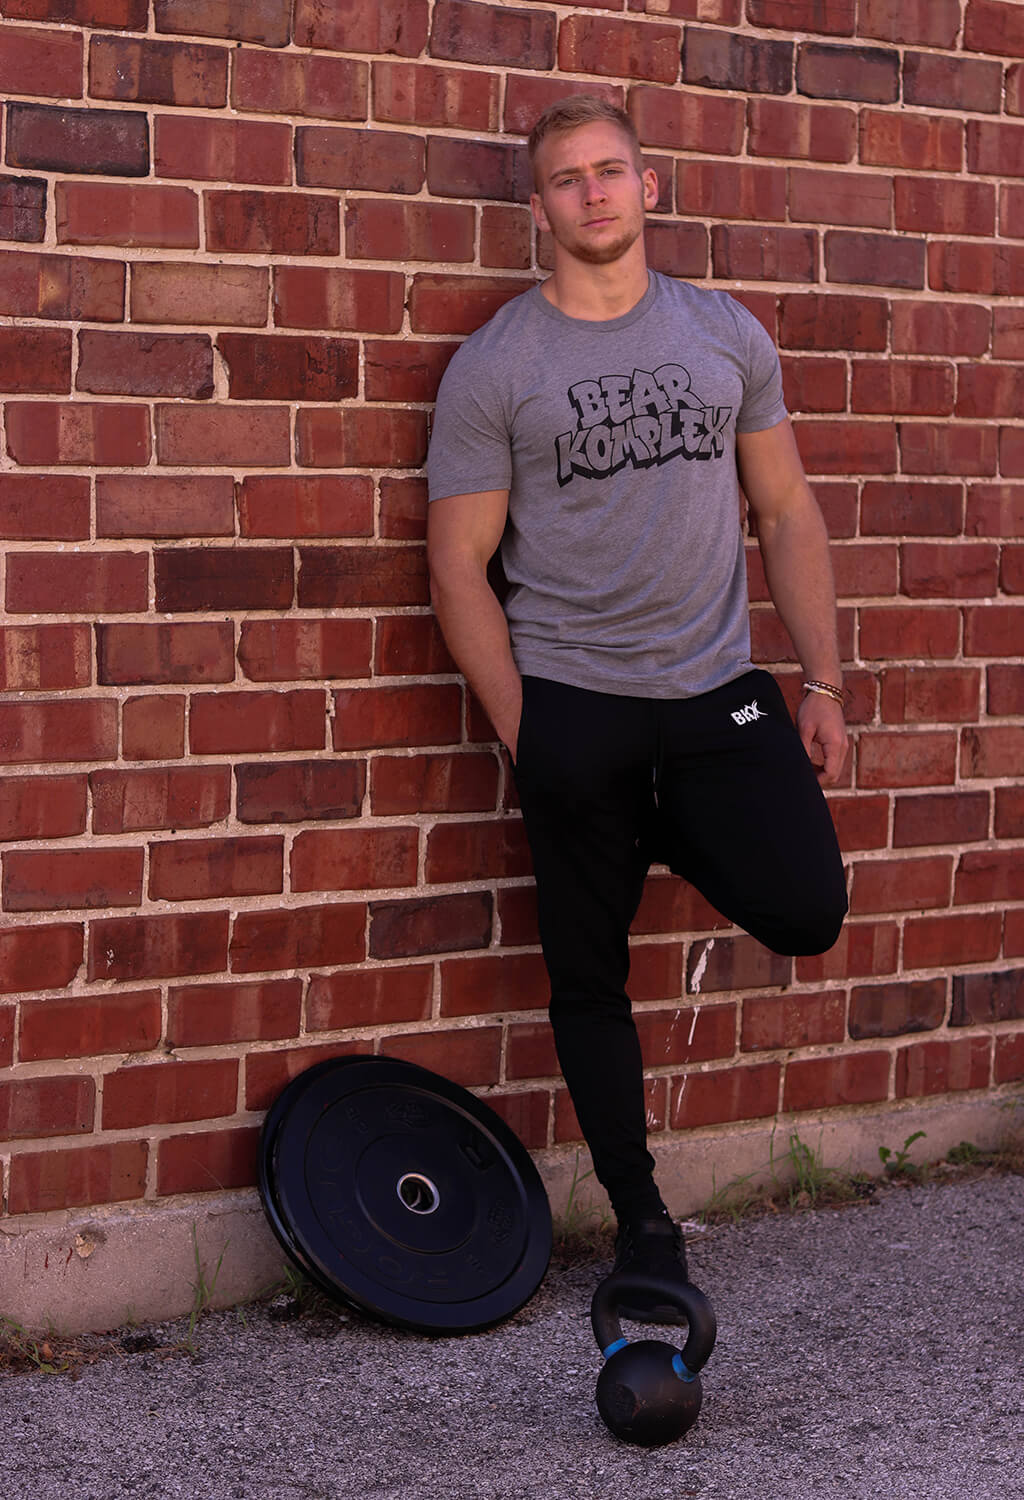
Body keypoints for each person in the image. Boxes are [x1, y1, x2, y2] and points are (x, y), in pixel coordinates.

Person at [426, 96, 849, 1321]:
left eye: (611, 171)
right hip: (576, 709)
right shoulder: (497, 365)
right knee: (587, 977)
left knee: (808, 907)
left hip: (717, 696)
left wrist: (821, 679)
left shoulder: (723, 332)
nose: (593, 193)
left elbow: (786, 509)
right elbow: (457, 565)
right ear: (538, 207)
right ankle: (642, 1219)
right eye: (567, 178)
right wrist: (528, 733)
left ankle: (668, 816)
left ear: (648, 187)